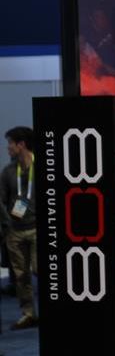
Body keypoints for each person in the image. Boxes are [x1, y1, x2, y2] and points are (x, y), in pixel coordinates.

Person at [1, 127, 38, 329]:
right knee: (20, 275)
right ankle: (28, 313)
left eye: (10, 143)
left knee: (40, 269)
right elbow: (1, 200)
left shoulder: (44, 167)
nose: (8, 148)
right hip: (15, 231)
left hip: (37, 229)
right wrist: (7, 224)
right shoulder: (8, 172)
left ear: (21, 145)